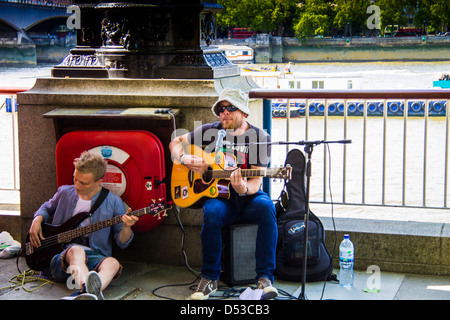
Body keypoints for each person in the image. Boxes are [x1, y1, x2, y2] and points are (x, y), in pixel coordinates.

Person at [169, 88, 278, 300]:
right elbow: (174, 142)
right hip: (219, 197)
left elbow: (257, 180)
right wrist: (184, 159)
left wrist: (244, 188)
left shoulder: (259, 137)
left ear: (244, 112)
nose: (224, 113)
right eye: (221, 109)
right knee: (212, 211)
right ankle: (209, 278)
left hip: (249, 198)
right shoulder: (210, 131)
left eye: (230, 108)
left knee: (267, 207)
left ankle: (264, 277)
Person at [28, 151, 138, 300]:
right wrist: (37, 220)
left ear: (99, 181)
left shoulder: (113, 201)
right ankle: (87, 289)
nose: (77, 185)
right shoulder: (64, 192)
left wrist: (126, 227)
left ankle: (89, 293)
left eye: (83, 183)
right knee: (76, 251)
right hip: (62, 257)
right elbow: (46, 208)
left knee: (113, 264)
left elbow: (122, 242)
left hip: (94, 255)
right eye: (75, 179)